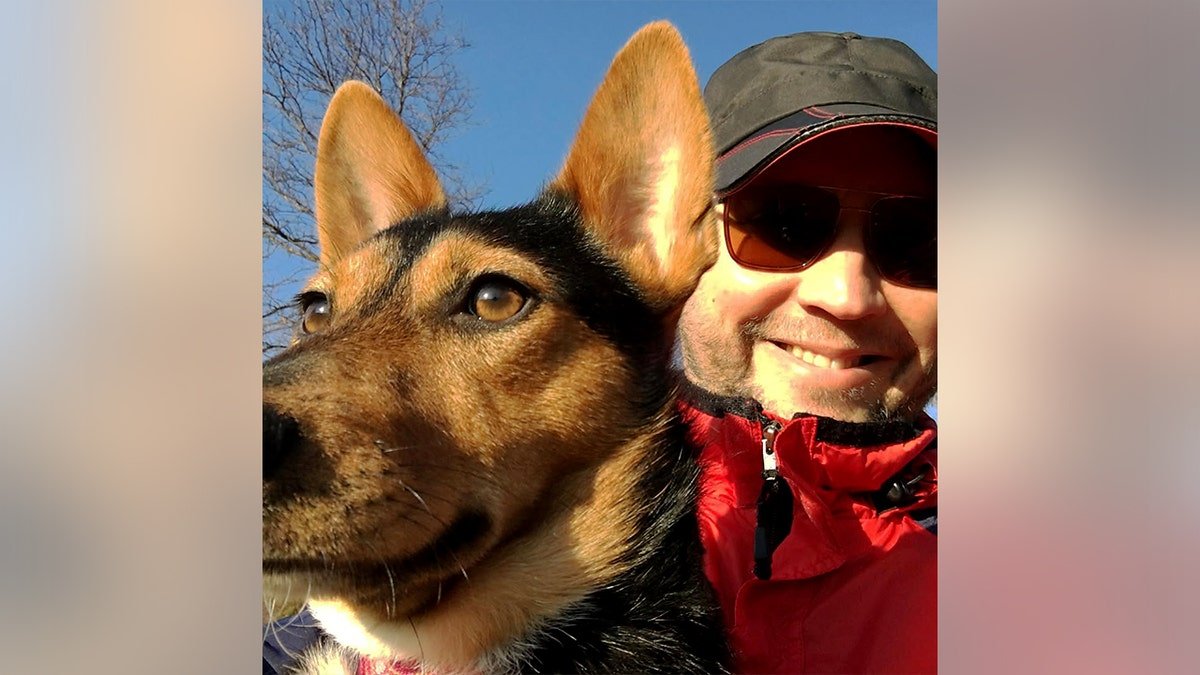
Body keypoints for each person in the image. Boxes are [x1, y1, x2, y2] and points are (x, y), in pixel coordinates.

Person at [676, 31, 938, 673]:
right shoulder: (491, 524)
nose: (848, 297)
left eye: (917, 240)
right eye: (781, 223)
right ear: (678, 243)